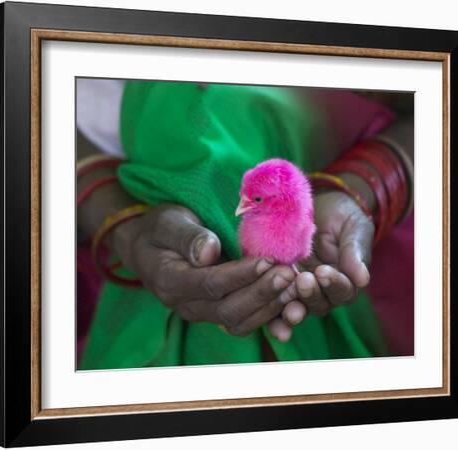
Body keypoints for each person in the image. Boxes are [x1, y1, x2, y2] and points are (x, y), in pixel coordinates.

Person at [76, 79, 414, 369]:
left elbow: (447, 97)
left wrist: (366, 187)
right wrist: (125, 229)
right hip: (111, 278)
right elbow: (35, 115)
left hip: (384, 282)